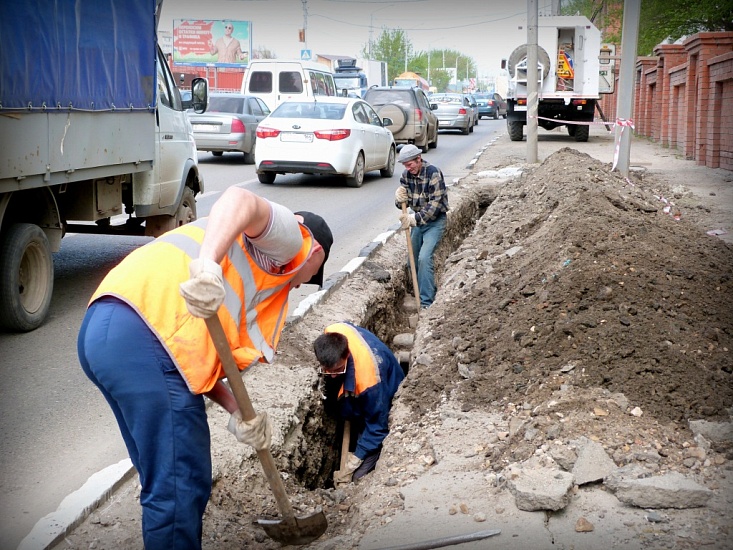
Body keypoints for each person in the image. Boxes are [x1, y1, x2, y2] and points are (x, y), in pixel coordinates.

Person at [77, 187, 333, 550]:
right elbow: (238, 198)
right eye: (310, 276)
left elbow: (194, 356)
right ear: (316, 253)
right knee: (181, 483)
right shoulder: (293, 241)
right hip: (146, 338)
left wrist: (237, 412)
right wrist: (208, 264)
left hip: (108, 330)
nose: (300, 284)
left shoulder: (248, 262)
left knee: (164, 476)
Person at [313, 322, 405, 485]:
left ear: (347, 354)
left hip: (386, 383)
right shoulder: (333, 331)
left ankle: (366, 455)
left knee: (357, 478)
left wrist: (356, 458)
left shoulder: (370, 383)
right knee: (340, 403)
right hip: (363, 381)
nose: (332, 376)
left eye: (338, 370)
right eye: (328, 370)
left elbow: (378, 427)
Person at [394, 144, 449, 308]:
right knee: (412, 262)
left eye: (410, 164)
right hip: (418, 223)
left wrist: (413, 220)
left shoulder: (433, 173)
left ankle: (426, 302)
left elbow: (434, 206)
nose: (407, 168)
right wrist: (398, 199)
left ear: (418, 159)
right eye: (405, 165)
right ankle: (419, 290)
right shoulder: (406, 175)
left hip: (435, 222)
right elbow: (403, 203)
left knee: (424, 258)